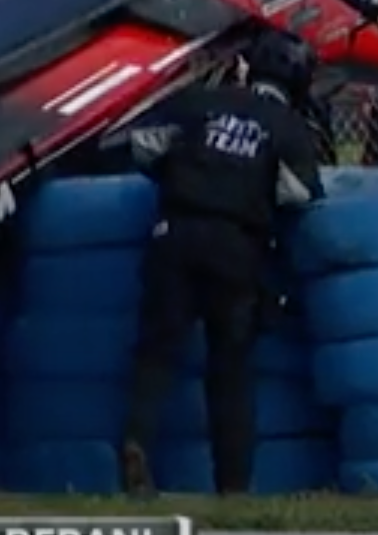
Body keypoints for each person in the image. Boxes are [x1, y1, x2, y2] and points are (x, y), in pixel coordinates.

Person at [119, 27, 326, 497]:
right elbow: (299, 194)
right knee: (230, 370)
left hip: (173, 232)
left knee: (155, 353)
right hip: (237, 247)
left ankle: (136, 443)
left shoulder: (203, 101)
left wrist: (179, 172)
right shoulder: (288, 127)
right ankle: (232, 486)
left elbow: (144, 145)